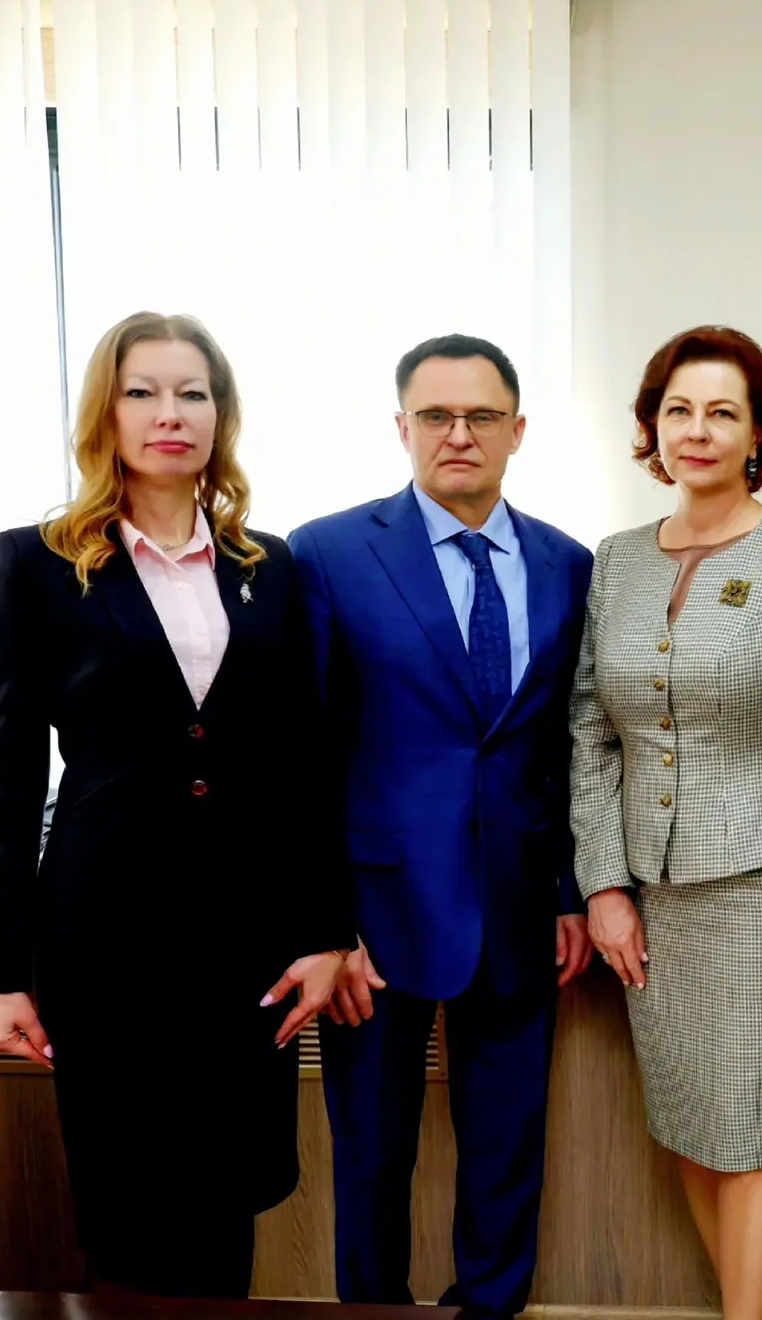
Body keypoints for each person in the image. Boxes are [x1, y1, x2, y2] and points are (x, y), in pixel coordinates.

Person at [0, 310, 352, 1297]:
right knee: (129, 1204)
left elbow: (300, 763)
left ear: (221, 415)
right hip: (105, 936)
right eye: (142, 392)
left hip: (244, 940)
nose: (169, 413)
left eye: (192, 393)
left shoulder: (268, 566)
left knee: (228, 1197)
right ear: (107, 413)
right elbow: (7, 781)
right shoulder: (36, 565)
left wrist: (325, 931)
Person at [288, 335, 596, 1320]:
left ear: (517, 430)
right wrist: (326, 926)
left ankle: (490, 1313)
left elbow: (567, 748)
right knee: (373, 1156)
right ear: (402, 427)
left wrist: (571, 894)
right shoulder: (328, 553)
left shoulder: (567, 564)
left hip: (519, 908)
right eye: (436, 416)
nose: (459, 434)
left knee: (508, 1153)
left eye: (481, 416)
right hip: (374, 919)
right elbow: (303, 754)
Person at [570, 326, 762, 1320]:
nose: (697, 430)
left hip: (760, 893)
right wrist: (604, 886)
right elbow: (589, 736)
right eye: (679, 411)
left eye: (722, 413)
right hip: (650, 899)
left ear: (757, 435)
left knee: (752, 1132)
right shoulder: (615, 561)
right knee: (691, 1126)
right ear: (653, 428)